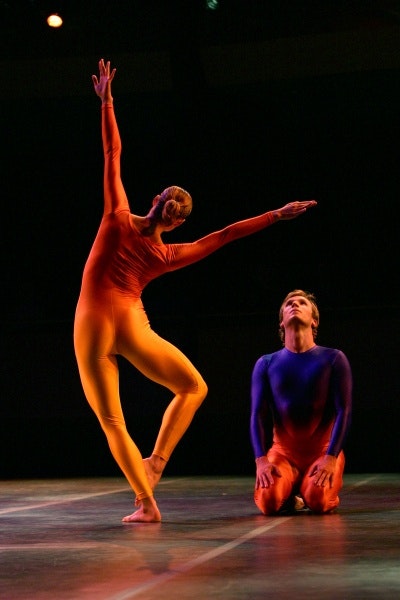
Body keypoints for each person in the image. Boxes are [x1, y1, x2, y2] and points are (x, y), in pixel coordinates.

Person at [73, 59, 317, 523]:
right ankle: (156, 467)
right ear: (177, 220)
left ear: (154, 201)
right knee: (193, 387)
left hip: (91, 323)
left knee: (112, 421)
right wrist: (275, 215)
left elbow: (112, 154)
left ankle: (148, 500)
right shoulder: (169, 254)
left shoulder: (117, 216)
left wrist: (107, 101)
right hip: (129, 321)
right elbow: (224, 235)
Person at [250, 289, 352, 515]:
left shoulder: (334, 358)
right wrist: (261, 460)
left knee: (318, 501)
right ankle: (292, 496)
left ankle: (312, 494)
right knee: (268, 502)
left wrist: (331, 457)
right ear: (281, 323)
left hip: (322, 452)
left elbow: (344, 411)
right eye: (289, 304)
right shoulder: (266, 363)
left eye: (302, 303)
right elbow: (257, 415)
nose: (294, 304)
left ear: (314, 320)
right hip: (284, 453)